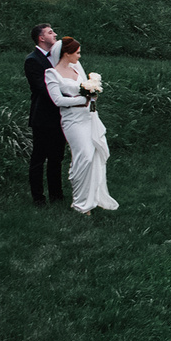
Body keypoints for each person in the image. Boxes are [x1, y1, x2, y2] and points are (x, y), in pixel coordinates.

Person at [46, 35, 118, 215]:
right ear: (66, 53)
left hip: (88, 117)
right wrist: (81, 99)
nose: (79, 56)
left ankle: (91, 199)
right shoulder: (52, 73)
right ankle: (79, 202)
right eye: (77, 53)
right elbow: (57, 100)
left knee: (93, 154)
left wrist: (92, 95)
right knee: (83, 155)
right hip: (72, 120)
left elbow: (87, 91)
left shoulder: (77, 70)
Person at [24, 22, 65, 206]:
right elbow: (43, 88)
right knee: (39, 159)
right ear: (41, 38)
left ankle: (57, 196)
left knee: (57, 158)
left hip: (59, 115)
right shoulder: (32, 60)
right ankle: (38, 198)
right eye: (50, 32)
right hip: (42, 117)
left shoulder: (57, 58)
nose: (55, 34)